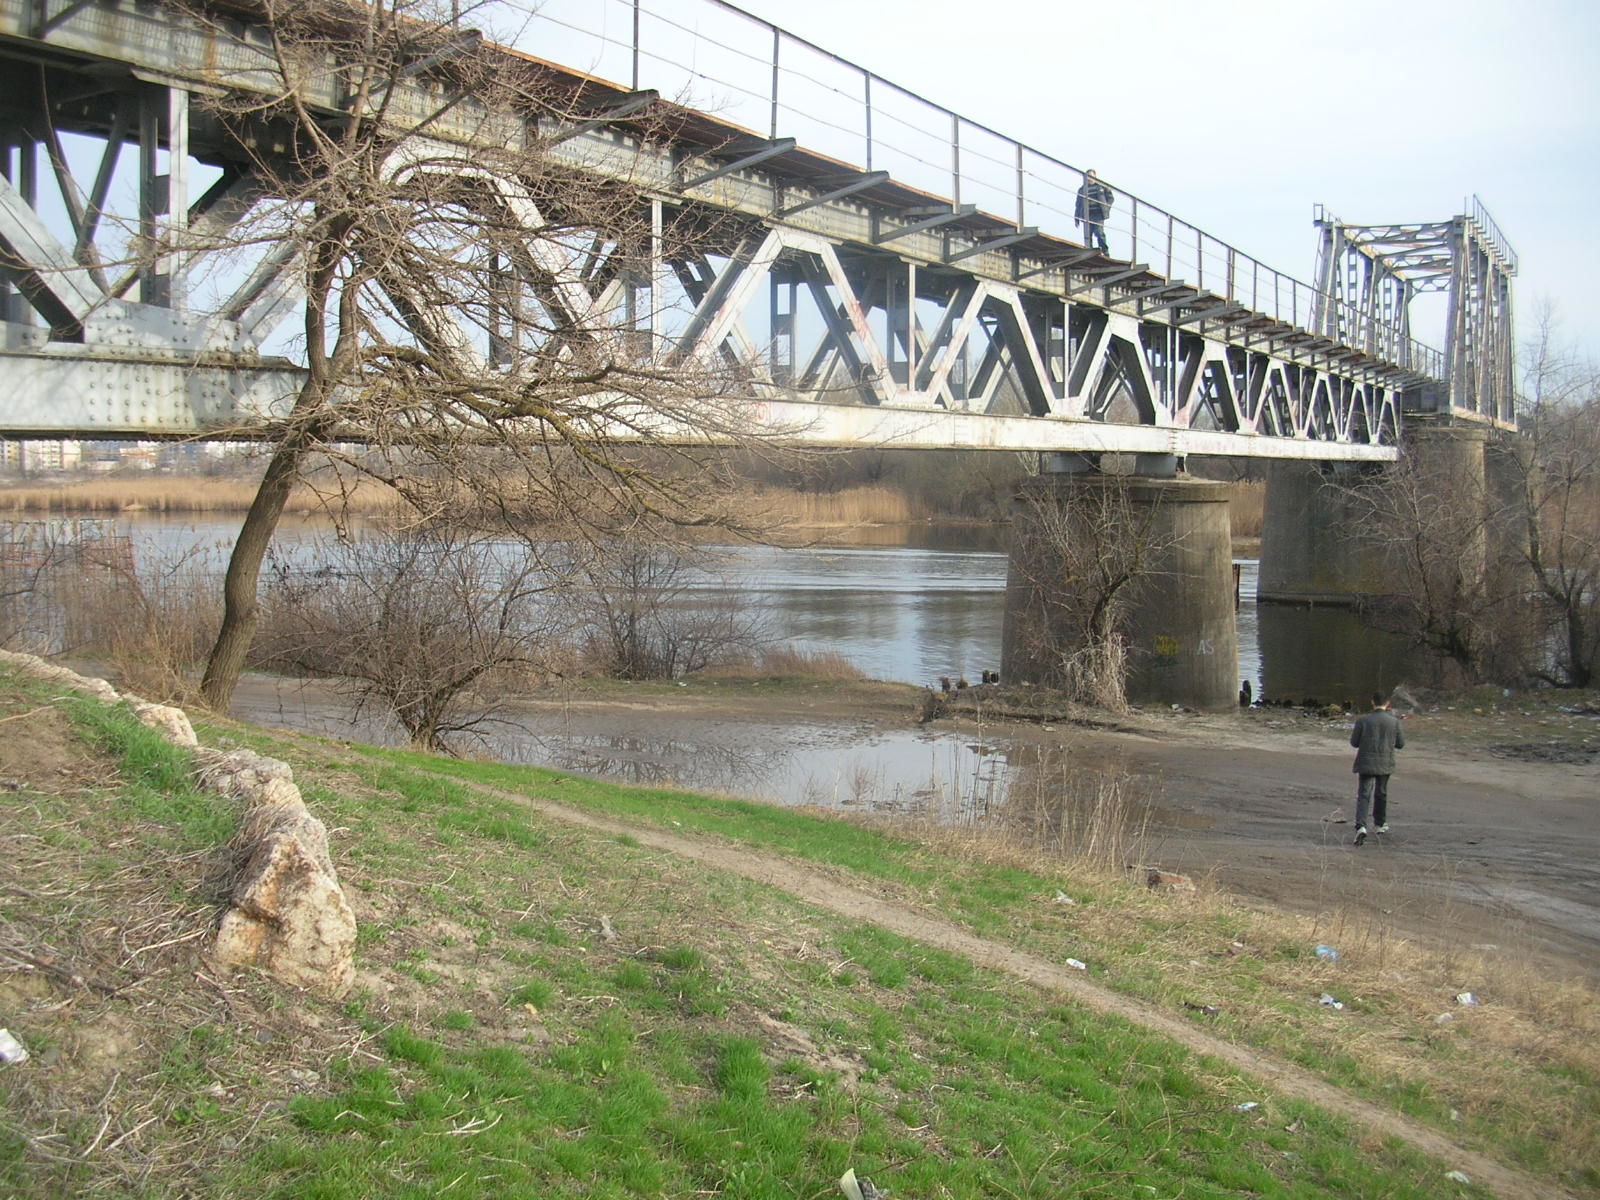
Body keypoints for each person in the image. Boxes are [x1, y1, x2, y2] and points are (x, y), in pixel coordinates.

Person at [1349, 692, 1405, 845]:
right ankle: (1380, 823)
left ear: (1372, 702)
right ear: (1388, 704)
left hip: (1366, 762)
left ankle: (1361, 825)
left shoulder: (1363, 721)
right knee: (1381, 793)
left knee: (1364, 794)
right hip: (1385, 762)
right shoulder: (1394, 722)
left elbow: (1354, 743)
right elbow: (1400, 744)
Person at [1075, 169, 1115, 254]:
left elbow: (1110, 198)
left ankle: (1105, 252)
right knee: (1088, 235)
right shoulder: (1082, 189)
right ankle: (1089, 253)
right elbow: (1078, 204)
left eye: (1091, 176)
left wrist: (1106, 208)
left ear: (1095, 177)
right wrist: (1076, 218)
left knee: (1099, 233)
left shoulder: (1101, 186)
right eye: (1088, 177)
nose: (1089, 179)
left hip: (1098, 214)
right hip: (1087, 214)